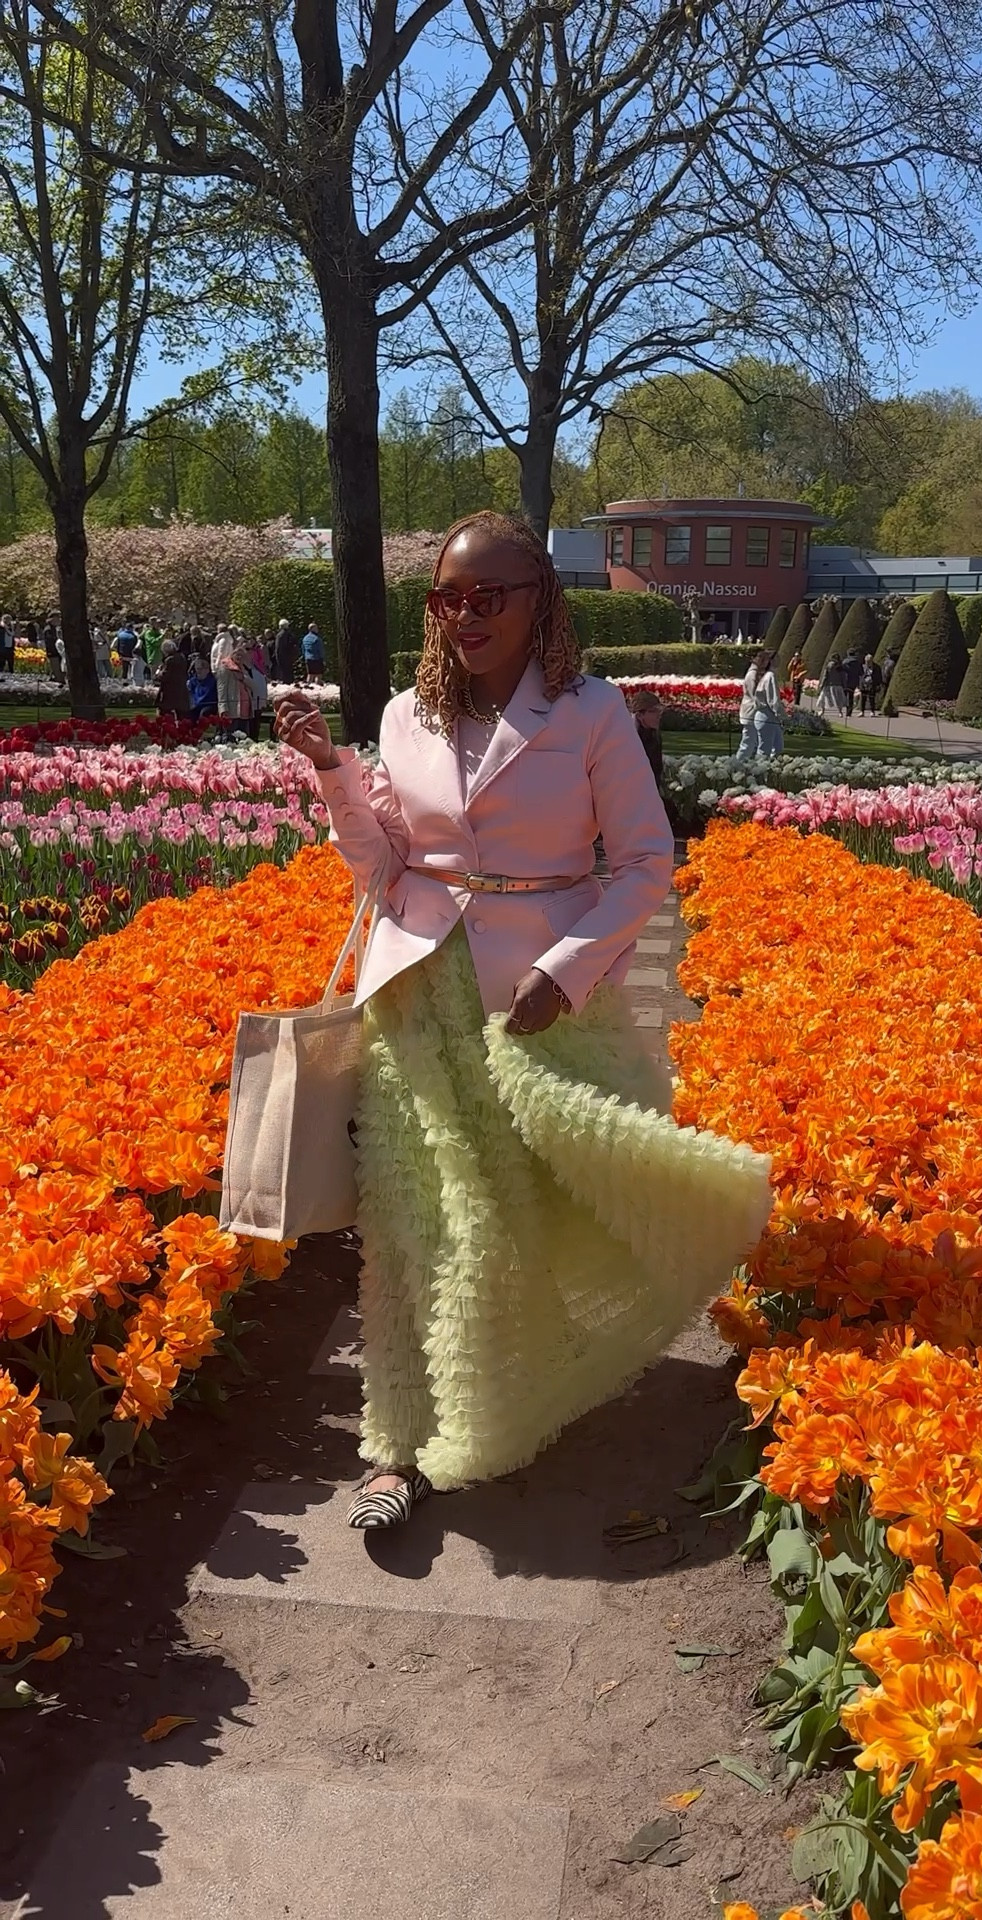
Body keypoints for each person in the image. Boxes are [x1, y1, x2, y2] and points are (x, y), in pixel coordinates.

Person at [273, 508, 772, 1530]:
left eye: (489, 595)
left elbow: (642, 863)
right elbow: (386, 866)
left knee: (521, 1221)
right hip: (416, 991)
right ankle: (396, 1446)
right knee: (416, 1224)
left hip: (532, 1004)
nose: (465, 615)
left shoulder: (589, 712)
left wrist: (569, 967)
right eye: (447, 597)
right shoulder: (405, 715)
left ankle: (510, 1394)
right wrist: (333, 771)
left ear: (542, 600)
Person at [630, 689, 665, 791]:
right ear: (640, 715)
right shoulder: (629, 740)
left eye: (660, 710)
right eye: (653, 711)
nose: (658, 715)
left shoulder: (655, 736)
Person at [155, 638, 192, 719]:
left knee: (164, 713)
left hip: (170, 691)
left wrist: (158, 673)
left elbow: (164, 676)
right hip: (181, 689)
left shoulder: (169, 660)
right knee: (182, 715)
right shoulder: (182, 657)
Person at [248, 632, 270, 741]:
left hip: (258, 676)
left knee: (256, 715)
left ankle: (254, 736)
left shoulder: (258, 650)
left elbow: (261, 662)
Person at [187, 648, 219, 721]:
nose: (198, 671)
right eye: (197, 669)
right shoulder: (193, 681)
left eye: (201, 669)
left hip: (209, 705)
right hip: (196, 705)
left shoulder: (212, 681)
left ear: (207, 670)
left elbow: (211, 696)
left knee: (204, 713)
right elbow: (190, 694)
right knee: (189, 713)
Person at [275, 617, 300, 683]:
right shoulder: (291, 634)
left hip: (282, 658)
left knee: (284, 676)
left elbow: (278, 648)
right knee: (290, 675)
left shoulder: (279, 636)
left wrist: (277, 658)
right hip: (290, 658)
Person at [840, 647, 862, 719]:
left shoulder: (844, 662)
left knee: (844, 696)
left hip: (845, 681)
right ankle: (849, 713)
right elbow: (861, 672)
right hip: (854, 681)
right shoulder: (857, 662)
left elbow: (841, 671)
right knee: (851, 697)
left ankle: (841, 711)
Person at [859, 652, 883, 717]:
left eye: (868, 661)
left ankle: (872, 711)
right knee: (863, 699)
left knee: (871, 698)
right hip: (864, 684)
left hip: (872, 684)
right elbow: (860, 675)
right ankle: (862, 711)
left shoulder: (877, 667)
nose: (867, 663)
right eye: (866, 661)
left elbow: (879, 676)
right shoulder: (863, 667)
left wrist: (879, 685)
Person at [42, 614, 63, 683]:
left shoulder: (56, 629)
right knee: (57, 670)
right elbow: (50, 642)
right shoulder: (48, 630)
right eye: (57, 618)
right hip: (53, 652)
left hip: (58, 652)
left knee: (60, 669)